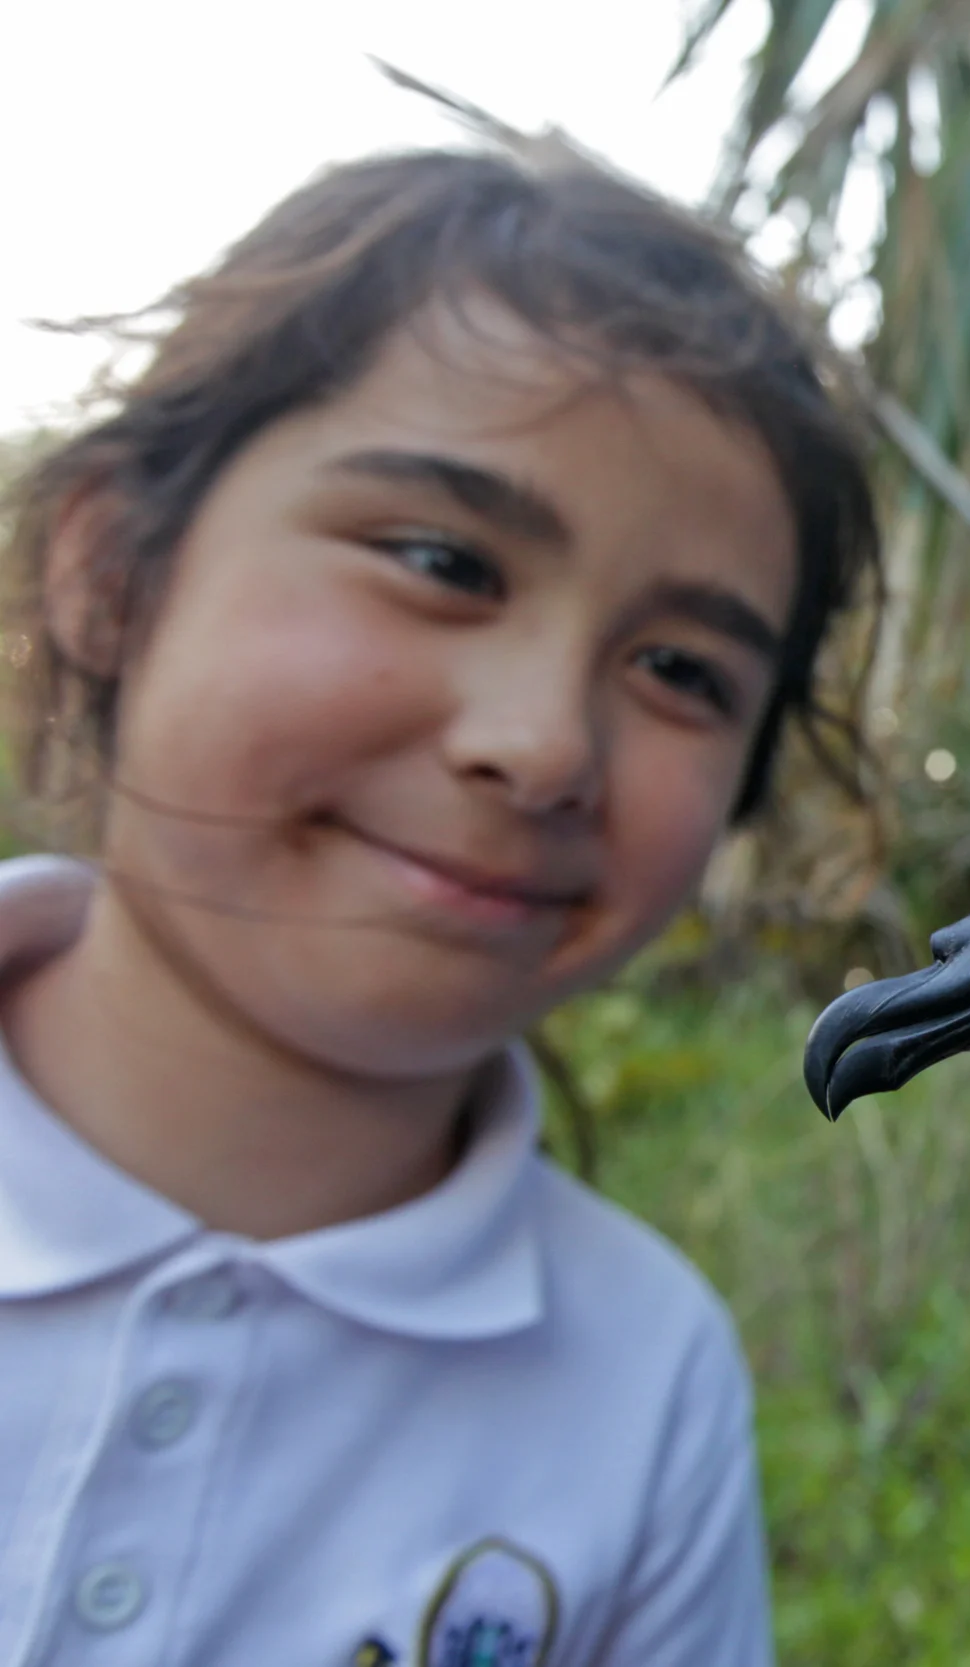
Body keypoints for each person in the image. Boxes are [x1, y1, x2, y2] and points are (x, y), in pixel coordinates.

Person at [0, 150, 875, 1663]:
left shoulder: (645, 1384)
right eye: (440, 561)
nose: (542, 745)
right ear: (109, 573)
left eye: (681, 670)